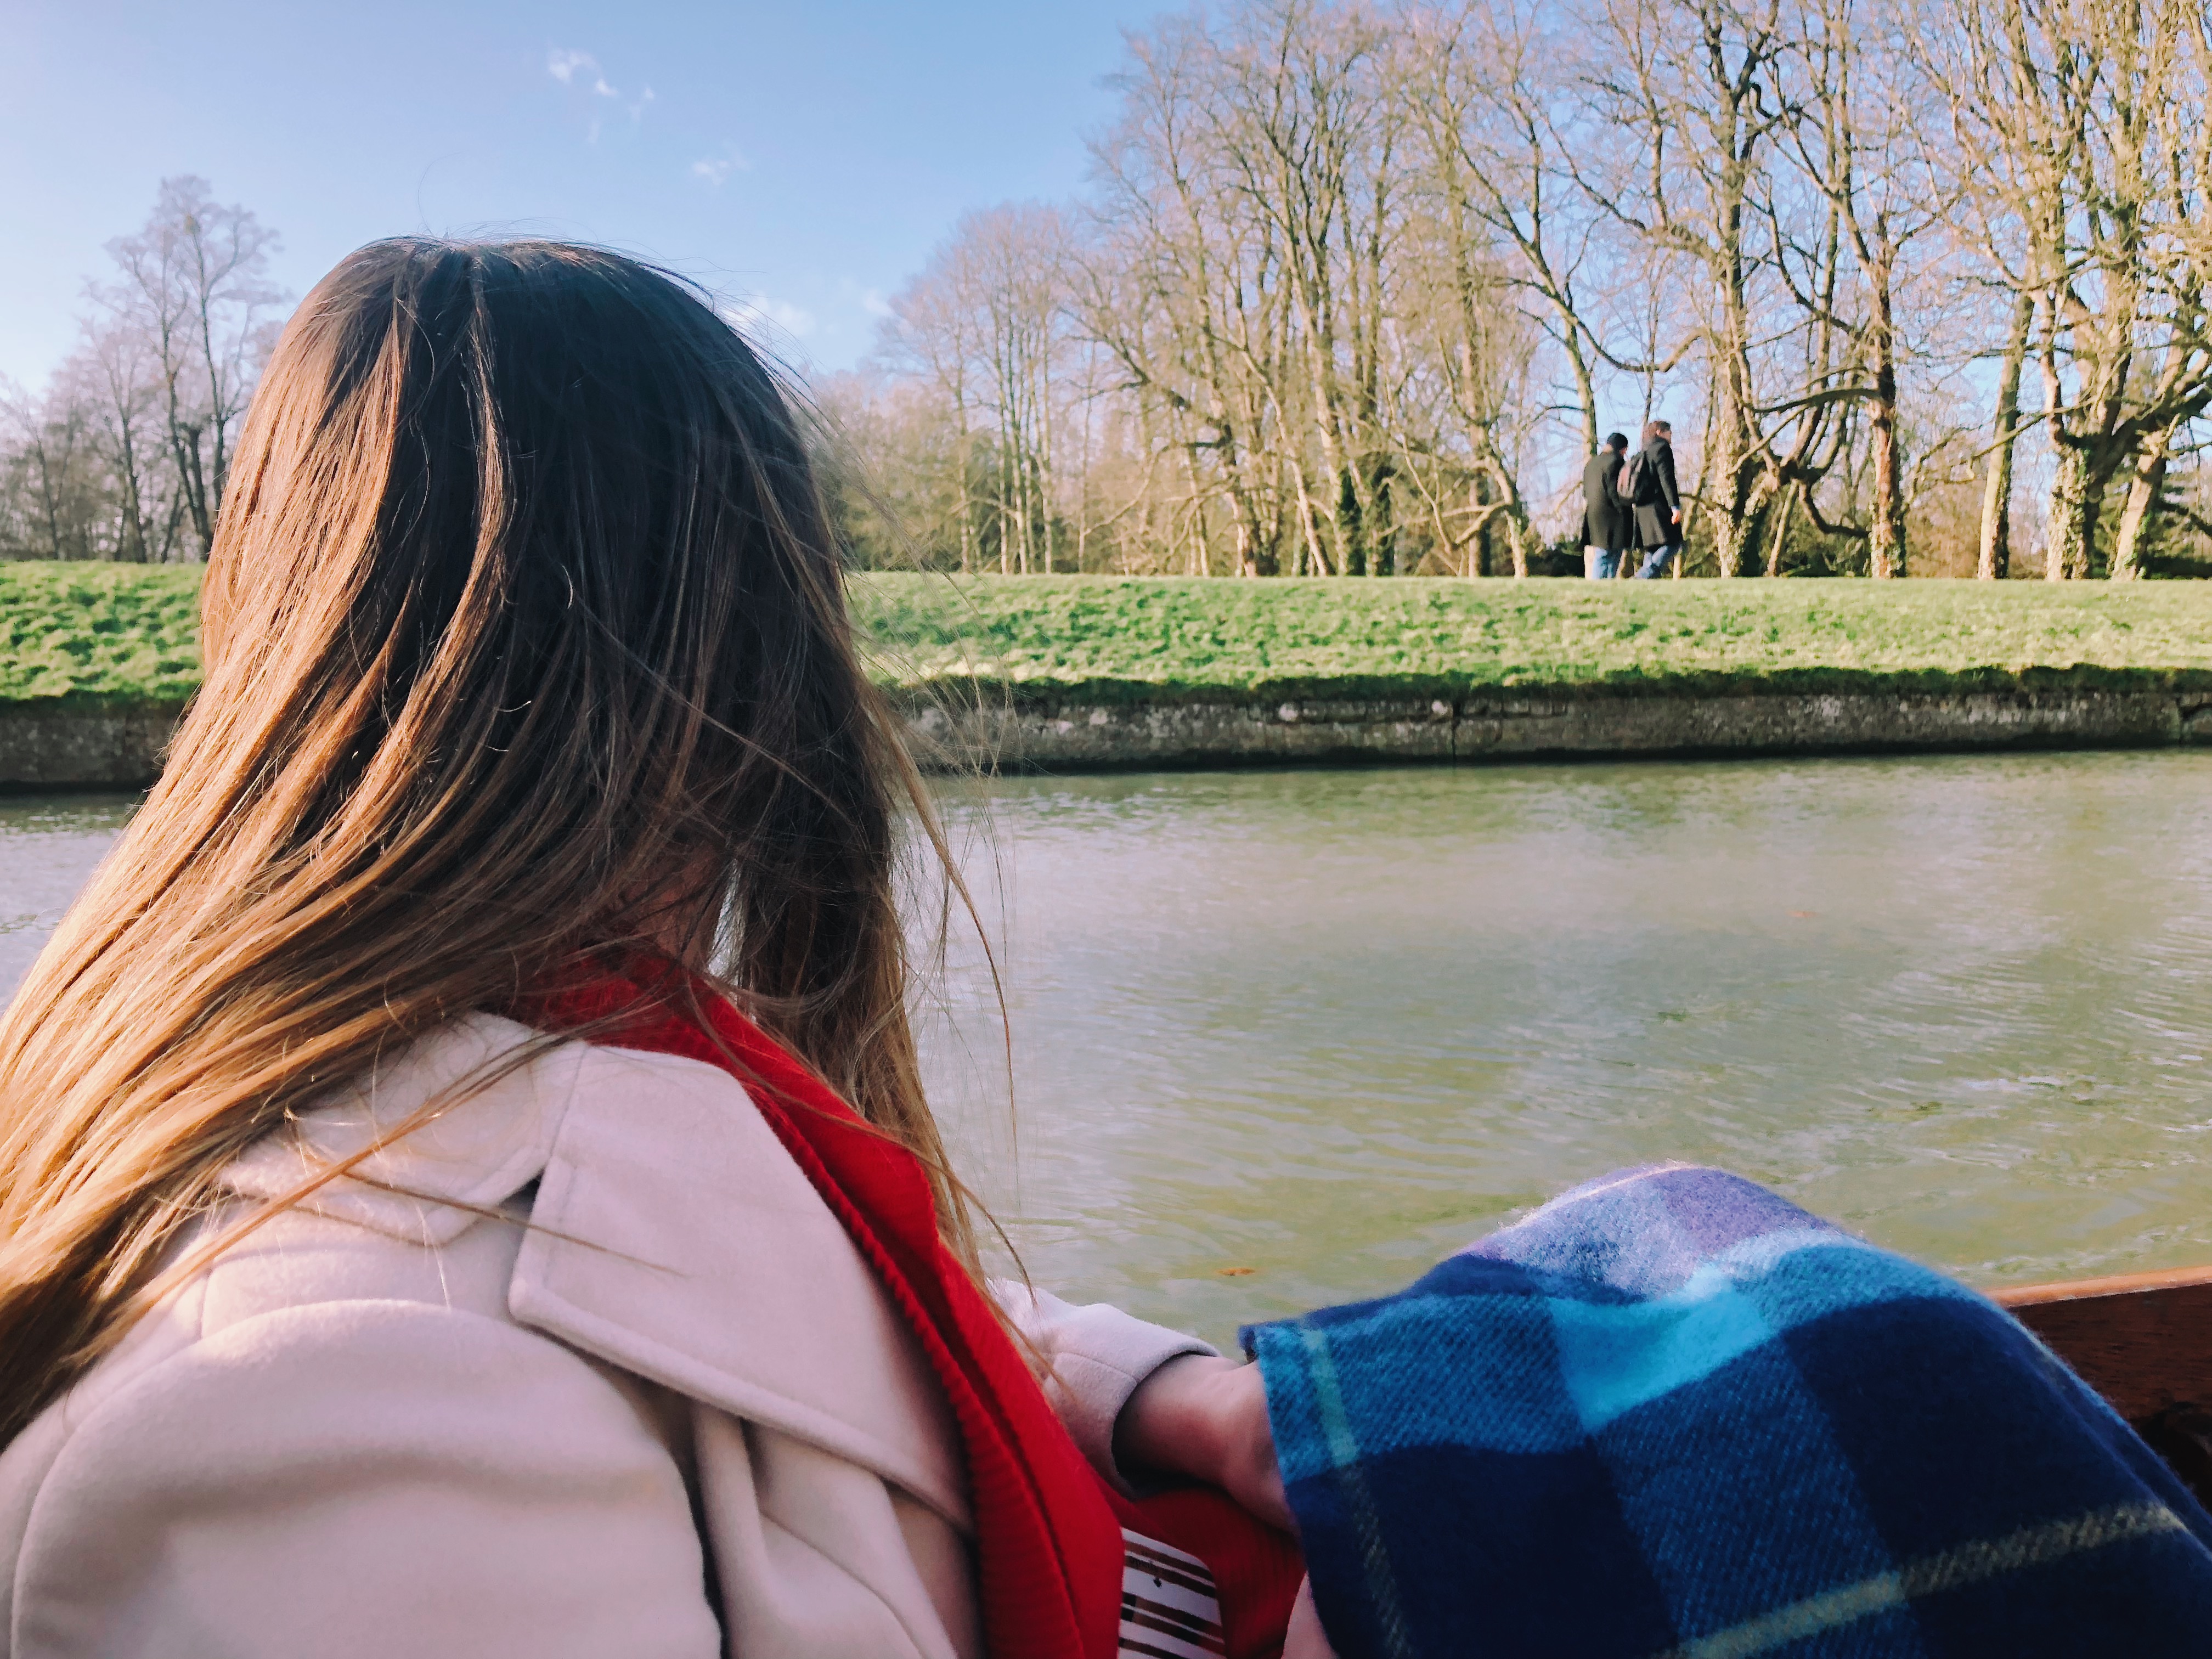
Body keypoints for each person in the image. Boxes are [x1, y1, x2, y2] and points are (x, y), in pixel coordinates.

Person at [0, 240, 1314, 1659]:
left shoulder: (446, 1072)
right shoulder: (338, 1408)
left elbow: (779, 1326)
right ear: (756, 671)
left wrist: (1167, 1395)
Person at [1628, 417, 1683, 578]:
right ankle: (1642, 577)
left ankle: (1648, 584)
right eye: (1669, 432)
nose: (1671, 435)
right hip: (1658, 506)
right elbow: (1667, 479)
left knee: (1652, 547)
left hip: (1641, 508)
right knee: (1673, 543)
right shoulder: (1662, 449)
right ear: (1660, 432)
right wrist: (1675, 506)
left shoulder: (1641, 453)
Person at [1578, 432, 1632, 579]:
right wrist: (1623, 508)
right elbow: (1615, 490)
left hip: (1593, 513)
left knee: (1602, 551)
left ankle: (1605, 584)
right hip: (1613, 515)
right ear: (1622, 449)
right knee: (1609, 554)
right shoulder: (1616, 462)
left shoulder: (1591, 464)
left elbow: (1585, 492)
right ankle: (1603, 583)